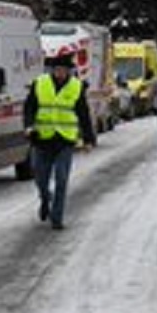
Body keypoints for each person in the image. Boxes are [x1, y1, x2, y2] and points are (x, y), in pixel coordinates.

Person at [24, 52, 96, 229]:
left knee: (62, 179)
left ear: (69, 71)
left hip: (65, 139)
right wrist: (29, 126)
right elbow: (29, 107)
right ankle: (45, 198)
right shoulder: (40, 83)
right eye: (57, 69)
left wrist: (88, 139)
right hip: (42, 138)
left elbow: (83, 114)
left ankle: (57, 217)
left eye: (64, 70)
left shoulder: (76, 87)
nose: (61, 72)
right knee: (40, 179)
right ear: (52, 70)